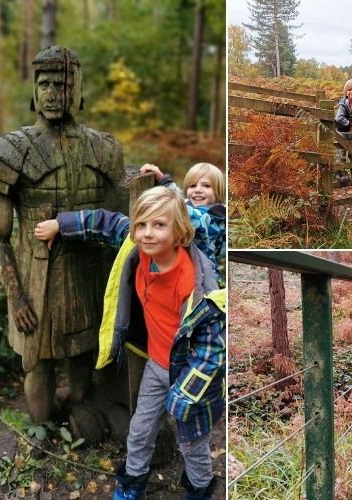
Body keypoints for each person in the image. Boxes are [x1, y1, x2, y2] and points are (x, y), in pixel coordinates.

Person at [37, 187, 225, 500]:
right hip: (156, 364)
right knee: (139, 431)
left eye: (159, 226)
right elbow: (106, 222)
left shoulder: (195, 284)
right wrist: (61, 224)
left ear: (179, 232)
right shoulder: (135, 248)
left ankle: (200, 489)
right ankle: (132, 483)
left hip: (190, 376)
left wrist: (183, 397)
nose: (147, 234)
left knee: (192, 443)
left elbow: (212, 350)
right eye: (142, 225)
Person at [0, 46, 126, 424]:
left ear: (78, 89)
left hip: (89, 278)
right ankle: (42, 431)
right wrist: (16, 298)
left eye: (61, 84)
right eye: (44, 84)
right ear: (34, 90)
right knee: (38, 364)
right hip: (35, 283)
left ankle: (83, 420)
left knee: (84, 358)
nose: (51, 93)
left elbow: (122, 225)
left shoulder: (105, 150)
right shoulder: (10, 152)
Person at [139, 162, 226, 273]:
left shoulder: (216, 215)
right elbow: (179, 201)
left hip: (202, 276)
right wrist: (163, 180)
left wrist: (162, 201)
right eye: (192, 185)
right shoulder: (190, 205)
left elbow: (191, 216)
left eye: (206, 186)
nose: (198, 190)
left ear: (218, 191)